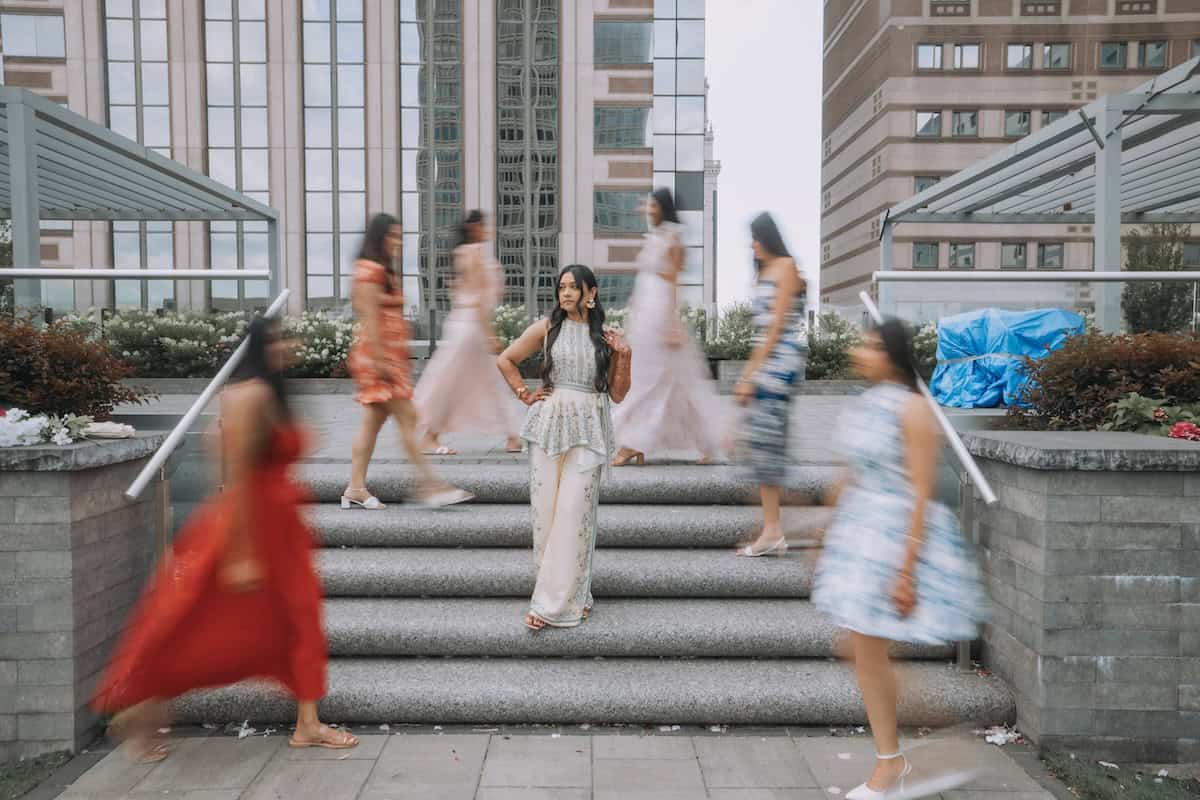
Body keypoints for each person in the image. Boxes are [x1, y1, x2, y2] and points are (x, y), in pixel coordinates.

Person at [92, 317, 358, 762]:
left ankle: (307, 724)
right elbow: (231, 476)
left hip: (281, 526)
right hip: (249, 525)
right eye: (280, 339)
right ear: (260, 346)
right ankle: (142, 706)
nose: (290, 346)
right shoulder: (245, 395)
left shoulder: (274, 394)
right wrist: (240, 554)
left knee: (299, 620)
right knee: (199, 624)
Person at [812, 319, 987, 800]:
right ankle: (921, 751)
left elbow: (922, 493)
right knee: (861, 651)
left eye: (869, 344)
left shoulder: (913, 408)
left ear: (891, 353)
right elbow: (850, 473)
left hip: (895, 539)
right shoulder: (866, 404)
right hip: (861, 534)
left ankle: (895, 763)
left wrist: (907, 570)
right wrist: (824, 535)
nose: (859, 350)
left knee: (865, 651)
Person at [496, 264, 631, 630]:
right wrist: (525, 394)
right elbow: (505, 359)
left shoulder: (606, 336)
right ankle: (573, 593)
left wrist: (624, 356)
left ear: (592, 292)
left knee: (574, 513)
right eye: (562, 288)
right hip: (549, 426)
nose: (566, 293)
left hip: (589, 429)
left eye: (574, 287)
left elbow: (618, 394)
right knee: (547, 516)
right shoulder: (547, 328)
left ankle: (551, 604)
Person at [343, 213, 472, 509]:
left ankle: (355, 487)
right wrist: (380, 362)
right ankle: (429, 485)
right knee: (408, 418)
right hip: (378, 358)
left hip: (387, 357)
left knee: (373, 422)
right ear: (378, 237)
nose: (397, 242)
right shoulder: (369, 270)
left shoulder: (380, 270)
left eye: (400, 236)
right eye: (392, 236)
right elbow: (369, 319)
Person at [611, 188, 722, 466]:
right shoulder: (656, 236)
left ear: (662, 207)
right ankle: (700, 443)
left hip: (659, 312)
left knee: (652, 380)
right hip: (645, 311)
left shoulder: (672, 238)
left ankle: (631, 443)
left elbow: (673, 282)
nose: (647, 209)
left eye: (652, 205)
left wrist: (672, 323)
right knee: (662, 379)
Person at [414, 210, 523, 455]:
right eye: (484, 225)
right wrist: (490, 333)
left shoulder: (462, 254)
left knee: (475, 381)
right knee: (454, 382)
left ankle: (513, 435)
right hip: (470, 327)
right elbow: (476, 299)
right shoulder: (471, 255)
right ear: (474, 227)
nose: (487, 229)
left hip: (463, 324)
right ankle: (430, 436)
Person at [734, 212, 807, 557]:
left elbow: (776, 328)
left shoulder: (786, 265)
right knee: (762, 444)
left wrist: (750, 376)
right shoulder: (766, 271)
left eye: (755, 238)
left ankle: (774, 530)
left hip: (779, 364)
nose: (752, 245)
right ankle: (772, 527)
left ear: (767, 238)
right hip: (769, 362)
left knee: (766, 443)